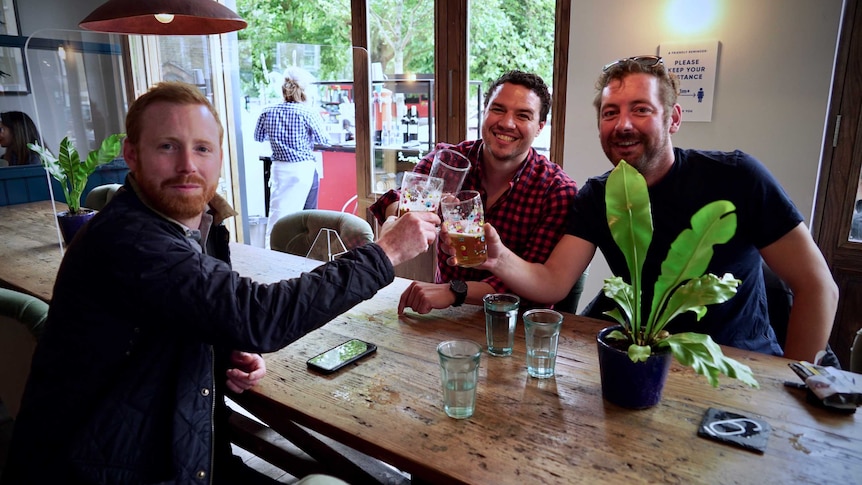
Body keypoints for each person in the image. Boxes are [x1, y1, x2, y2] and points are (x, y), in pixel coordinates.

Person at [2, 81, 439, 484]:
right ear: (131, 154)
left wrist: (221, 346)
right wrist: (386, 253)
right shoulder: (130, 237)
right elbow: (259, 316)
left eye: (203, 148)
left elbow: (178, 313)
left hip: (177, 449)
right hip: (110, 468)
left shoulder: (199, 226)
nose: (187, 165)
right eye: (167, 146)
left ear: (220, 155)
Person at [474, 56, 838, 362]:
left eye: (641, 110)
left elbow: (817, 286)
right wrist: (499, 257)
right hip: (642, 360)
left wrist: (794, 385)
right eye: (610, 112)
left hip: (736, 365)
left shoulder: (738, 177)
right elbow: (554, 280)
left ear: (673, 119)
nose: (623, 125)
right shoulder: (597, 196)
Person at [369, 70, 578, 314]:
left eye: (523, 115)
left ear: (540, 127)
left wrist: (454, 290)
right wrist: (405, 218)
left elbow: (536, 287)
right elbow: (396, 200)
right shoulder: (449, 161)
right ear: (484, 112)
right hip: (444, 315)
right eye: (498, 109)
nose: (507, 123)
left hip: (516, 325)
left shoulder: (556, 190)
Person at [254, 66, 330, 240]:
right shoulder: (308, 112)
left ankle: (273, 251)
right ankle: (305, 252)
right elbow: (324, 140)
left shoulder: (268, 111)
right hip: (303, 169)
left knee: (278, 214)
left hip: (279, 169)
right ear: (304, 91)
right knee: (308, 216)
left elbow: (258, 137)